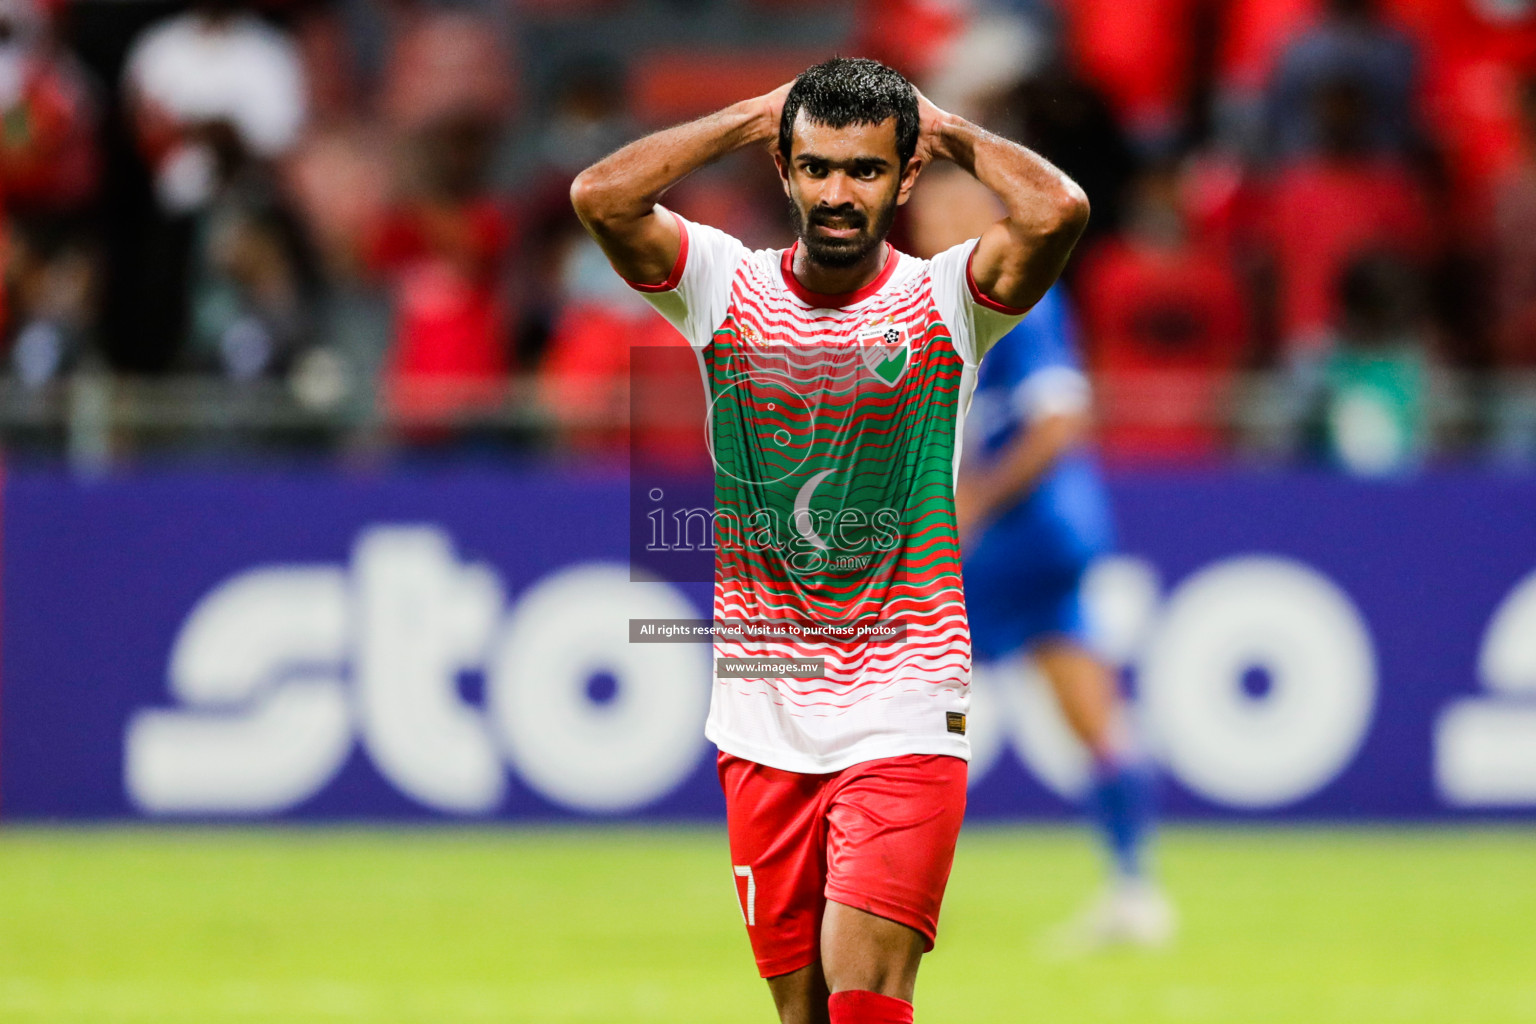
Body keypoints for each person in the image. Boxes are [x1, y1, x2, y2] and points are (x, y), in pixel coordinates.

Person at [571, 57, 1088, 1024]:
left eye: (863, 170)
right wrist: (751, 115)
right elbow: (601, 197)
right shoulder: (724, 288)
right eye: (816, 167)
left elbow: (1057, 213)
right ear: (786, 171)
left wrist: (953, 129)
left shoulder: (947, 302)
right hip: (759, 720)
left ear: (903, 178)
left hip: (904, 701)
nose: (838, 193)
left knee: (866, 994)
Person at [909, 165, 1173, 949]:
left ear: (990, 216)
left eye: (947, 210)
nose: (929, 230)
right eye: (922, 217)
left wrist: (974, 501)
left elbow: (1060, 423)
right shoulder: (944, 311)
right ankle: (1136, 891)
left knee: (898, 693)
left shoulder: (1021, 295)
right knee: (1089, 712)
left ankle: (867, 889)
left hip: (1022, 537)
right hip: (1040, 541)